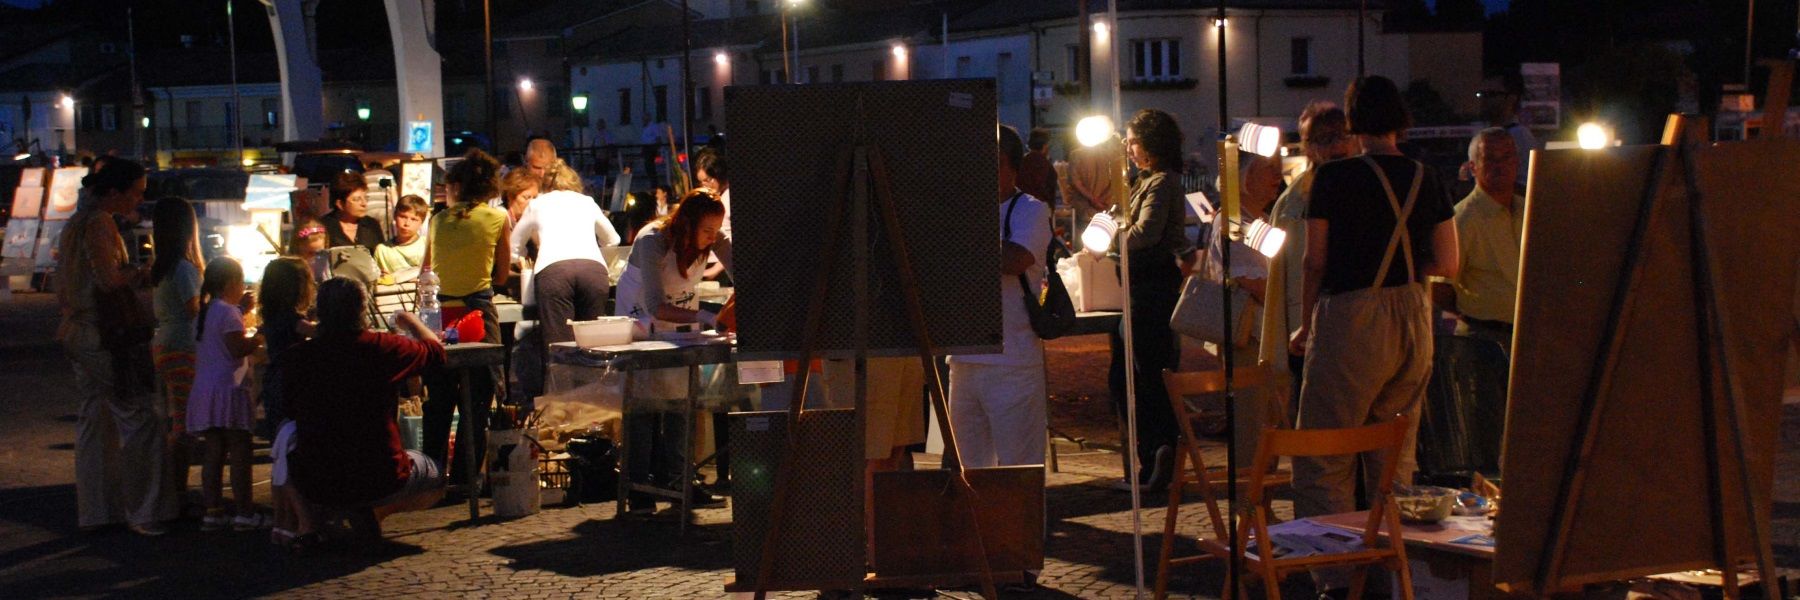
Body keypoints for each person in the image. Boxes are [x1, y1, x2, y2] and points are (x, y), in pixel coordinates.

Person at [1291, 75, 1459, 520]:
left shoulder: (1332, 177)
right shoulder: (1428, 177)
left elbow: (1314, 261)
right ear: (1400, 120)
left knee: (1326, 451)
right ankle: (1394, 563)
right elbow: (1449, 262)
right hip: (1412, 317)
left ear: (1353, 121)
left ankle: (1336, 572)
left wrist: (1307, 325)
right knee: (1394, 456)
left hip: (1352, 319)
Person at [282, 278, 447, 547]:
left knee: (287, 443)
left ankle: (314, 522)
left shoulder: (297, 357)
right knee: (437, 476)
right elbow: (435, 352)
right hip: (380, 473)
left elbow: (289, 410)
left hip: (315, 476)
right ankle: (373, 513)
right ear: (362, 309)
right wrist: (410, 321)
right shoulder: (382, 347)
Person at [57, 157, 171, 536]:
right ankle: (144, 510)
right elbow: (109, 280)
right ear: (113, 192)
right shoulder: (100, 223)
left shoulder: (74, 224)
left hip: (76, 330)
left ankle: (97, 509)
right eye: (136, 193)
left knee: (94, 418)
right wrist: (143, 272)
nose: (139, 200)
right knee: (139, 417)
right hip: (104, 333)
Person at [615, 190, 732, 511]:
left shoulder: (714, 238)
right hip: (640, 324)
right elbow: (655, 306)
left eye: (716, 230)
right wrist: (706, 317)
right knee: (643, 406)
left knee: (681, 401)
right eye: (706, 230)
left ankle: (679, 481)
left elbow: (743, 276)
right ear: (688, 223)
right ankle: (638, 487)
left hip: (680, 329)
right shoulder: (652, 240)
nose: (712, 238)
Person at [948, 125, 1052, 468]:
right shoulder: (960, 211)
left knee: (1017, 471)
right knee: (970, 472)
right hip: (963, 361)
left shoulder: (1031, 210)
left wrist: (964, 238)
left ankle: (1021, 525)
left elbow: (1016, 259)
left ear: (1011, 167)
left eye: (991, 162)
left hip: (1013, 362)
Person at [1108, 109, 1191, 492]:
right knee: (1130, 375)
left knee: (1149, 375)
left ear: (1150, 145)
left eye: (1133, 140)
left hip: (1150, 291)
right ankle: (1154, 456)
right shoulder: (1143, 181)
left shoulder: (1160, 183)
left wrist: (1109, 235)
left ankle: (1158, 456)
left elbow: (1144, 232)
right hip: (1139, 290)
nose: (1128, 146)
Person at [422, 149, 512, 486]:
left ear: (457, 186)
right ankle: (464, 478)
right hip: (477, 314)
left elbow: (425, 272)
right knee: (476, 399)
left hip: (441, 314)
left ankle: (430, 477)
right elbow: (501, 275)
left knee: (439, 399)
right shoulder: (498, 219)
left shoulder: (438, 220)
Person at [1265, 105, 1356, 414]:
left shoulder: (1366, 188)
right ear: (1307, 146)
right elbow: (1289, 274)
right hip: (1309, 331)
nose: (1334, 146)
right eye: (1322, 138)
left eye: (1341, 135)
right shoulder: (1293, 202)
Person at [510, 159, 621, 406]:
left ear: (546, 185)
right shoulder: (587, 202)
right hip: (594, 272)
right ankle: (594, 408)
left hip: (554, 272)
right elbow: (613, 238)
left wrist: (519, 260)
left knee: (559, 348)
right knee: (591, 346)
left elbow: (514, 244)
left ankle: (562, 411)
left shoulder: (537, 204)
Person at [187, 257, 271, 532]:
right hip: (229, 390)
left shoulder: (207, 311)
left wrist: (242, 310)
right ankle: (244, 513)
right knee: (239, 452)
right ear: (231, 283)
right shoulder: (227, 313)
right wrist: (259, 336)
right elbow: (237, 348)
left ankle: (213, 511)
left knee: (213, 452)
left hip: (206, 389)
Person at [1433, 128, 1523, 352]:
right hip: (1485, 338)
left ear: (1517, 162)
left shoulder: (1530, 208)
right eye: (1490, 159)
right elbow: (1439, 288)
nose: (1500, 165)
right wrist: (1473, 313)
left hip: (1528, 334)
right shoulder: (1462, 219)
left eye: (1507, 157)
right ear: (1473, 167)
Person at [149, 197, 203, 515]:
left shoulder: (162, 266)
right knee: (183, 424)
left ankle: (175, 491)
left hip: (165, 343)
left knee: (177, 420)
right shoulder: (183, 268)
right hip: (182, 346)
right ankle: (178, 494)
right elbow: (193, 309)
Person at [1061, 132, 1126, 233]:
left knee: (1084, 243)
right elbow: (1118, 181)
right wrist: (1102, 201)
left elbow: (1075, 181)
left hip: (1084, 209)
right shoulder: (1111, 155)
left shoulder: (1076, 155)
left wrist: (1093, 199)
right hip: (1106, 207)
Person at [322, 172, 384, 257]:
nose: (364, 203)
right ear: (340, 204)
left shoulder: (372, 225)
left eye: (366, 198)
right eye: (356, 199)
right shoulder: (324, 227)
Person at [375, 194, 430, 275]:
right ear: (395, 216)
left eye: (414, 219)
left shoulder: (428, 246)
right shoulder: (382, 250)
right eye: (403, 217)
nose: (407, 223)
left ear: (421, 222)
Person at [1017, 127, 1059, 208]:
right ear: (1045, 146)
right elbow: (1045, 190)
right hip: (1040, 209)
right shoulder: (1044, 164)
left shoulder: (1021, 162)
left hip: (1021, 206)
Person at [290, 218, 330, 283]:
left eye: (320, 253)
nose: (315, 258)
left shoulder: (327, 269)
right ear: (297, 250)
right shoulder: (292, 274)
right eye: (310, 253)